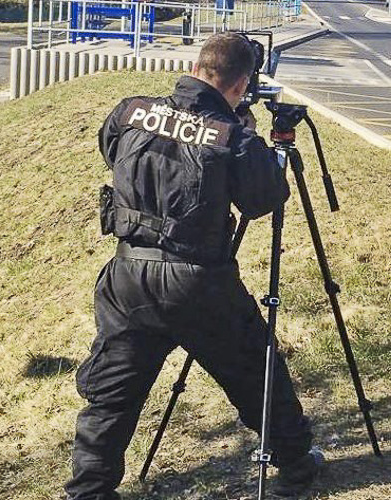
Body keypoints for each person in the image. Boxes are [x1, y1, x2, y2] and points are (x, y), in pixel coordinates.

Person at [65, 32, 322, 500]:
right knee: (253, 371)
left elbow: (111, 151)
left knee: (112, 395)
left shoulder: (130, 111)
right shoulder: (232, 136)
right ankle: (295, 464)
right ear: (242, 83)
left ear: (197, 66)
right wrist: (253, 140)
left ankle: (89, 489)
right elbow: (262, 199)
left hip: (129, 277)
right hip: (199, 283)